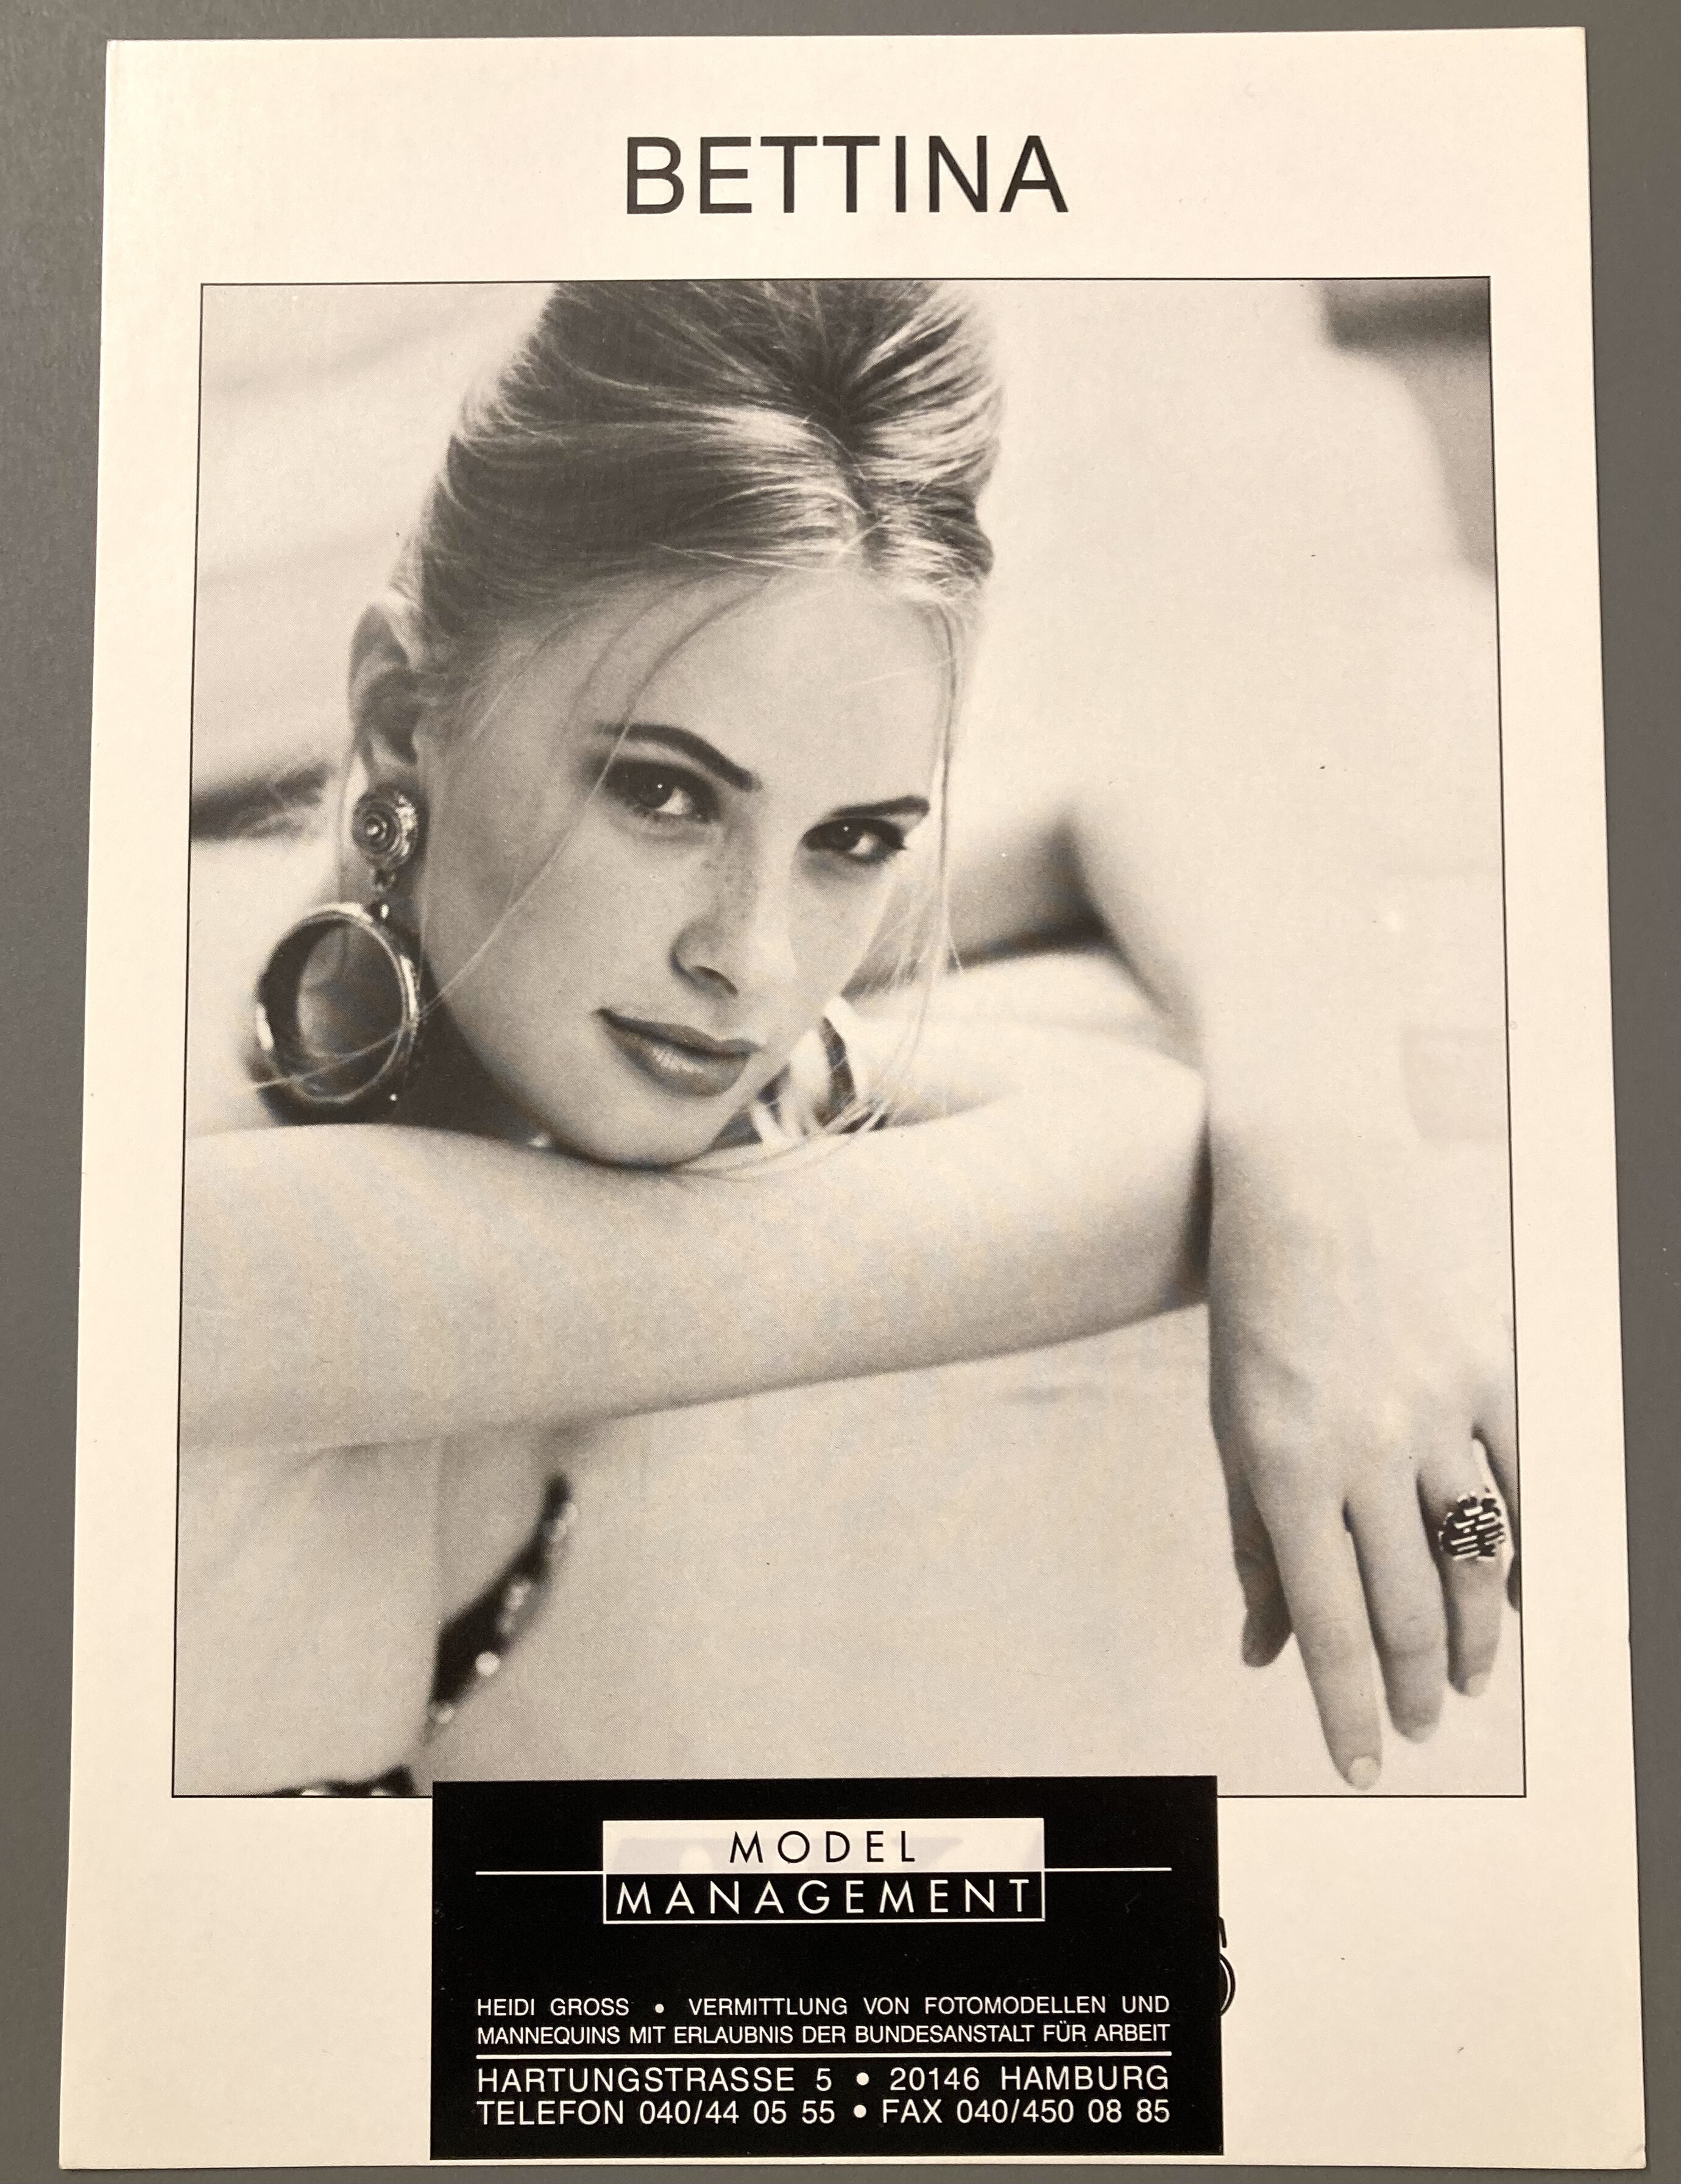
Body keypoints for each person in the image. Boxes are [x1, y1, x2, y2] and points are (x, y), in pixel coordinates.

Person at [180, 278, 1515, 1798]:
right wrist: (1330, 1185)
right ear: (399, 712)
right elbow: (1136, 1149)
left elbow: (1135, 784)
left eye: (854, 838)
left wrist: (1329, 1140)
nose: (751, 961)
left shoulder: (529, 976)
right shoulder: (225, 1227)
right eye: (662, 792)